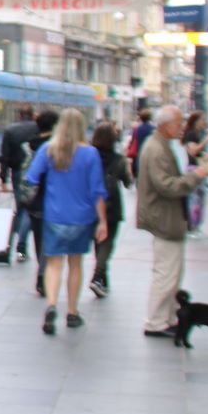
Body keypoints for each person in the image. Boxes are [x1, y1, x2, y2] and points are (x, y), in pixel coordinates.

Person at [24, 108, 109, 335]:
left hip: (54, 216)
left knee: (53, 264)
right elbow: (97, 191)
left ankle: (51, 304)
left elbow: (31, 178)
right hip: (82, 218)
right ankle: (72, 312)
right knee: (75, 264)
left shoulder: (48, 149)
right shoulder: (91, 154)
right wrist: (103, 221)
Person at [137, 106, 208, 339]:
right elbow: (167, 185)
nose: (182, 127)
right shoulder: (156, 149)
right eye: (178, 123)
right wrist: (197, 175)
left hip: (167, 218)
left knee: (171, 272)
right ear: (165, 125)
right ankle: (156, 321)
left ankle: (167, 317)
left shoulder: (161, 145)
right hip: (164, 219)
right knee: (166, 273)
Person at [88, 119, 130, 298]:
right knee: (107, 242)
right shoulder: (119, 160)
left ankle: (103, 280)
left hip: (92, 204)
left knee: (99, 242)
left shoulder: (88, 156)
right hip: (112, 205)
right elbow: (128, 183)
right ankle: (98, 277)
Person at [20, 110, 59, 295]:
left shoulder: (30, 144)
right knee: (48, 241)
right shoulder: (55, 147)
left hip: (34, 201)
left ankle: (41, 270)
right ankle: (43, 274)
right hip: (51, 199)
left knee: (39, 238)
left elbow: (28, 175)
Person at [0, 105, 38, 261]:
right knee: (29, 209)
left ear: (20, 115)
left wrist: (3, 178)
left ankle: (19, 246)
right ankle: (21, 246)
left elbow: (4, 156)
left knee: (21, 208)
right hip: (35, 173)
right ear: (32, 114)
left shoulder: (10, 130)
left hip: (17, 173)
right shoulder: (38, 128)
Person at [182, 110, 208, 235]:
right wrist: (207, 140)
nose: (204, 122)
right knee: (195, 199)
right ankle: (192, 227)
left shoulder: (197, 134)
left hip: (198, 169)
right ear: (195, 122)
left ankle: (196, 226)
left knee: (199, 199)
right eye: (202, 120)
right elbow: (193, 151)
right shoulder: (191, 135)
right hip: (194, 170)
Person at [128, 107, 155, 181]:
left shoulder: (137, 129)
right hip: (150, 156)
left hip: (139, 155)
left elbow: (133, 141)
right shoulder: (153, 129)